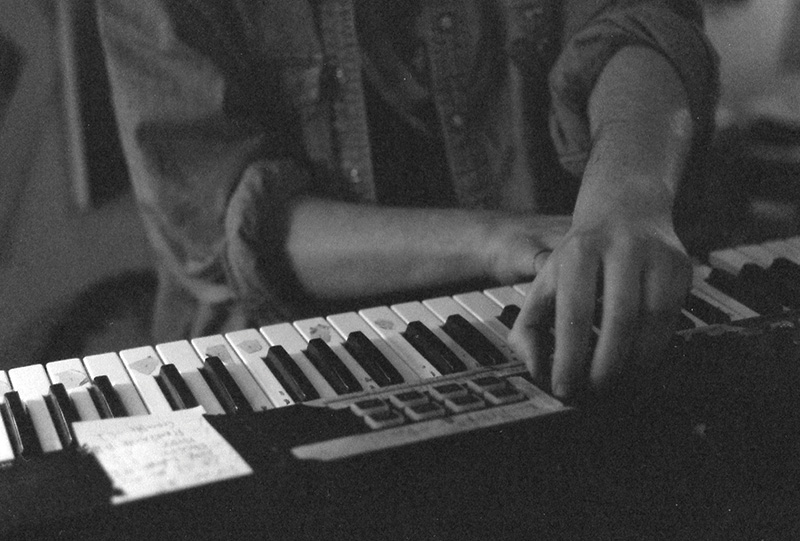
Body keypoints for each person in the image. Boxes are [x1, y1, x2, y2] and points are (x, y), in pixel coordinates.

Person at [94, 0, 719, 401]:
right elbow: (224, 228)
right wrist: (499, 238)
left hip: (545, 324)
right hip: (279, 362)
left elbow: (640, 22)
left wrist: (630, 192)